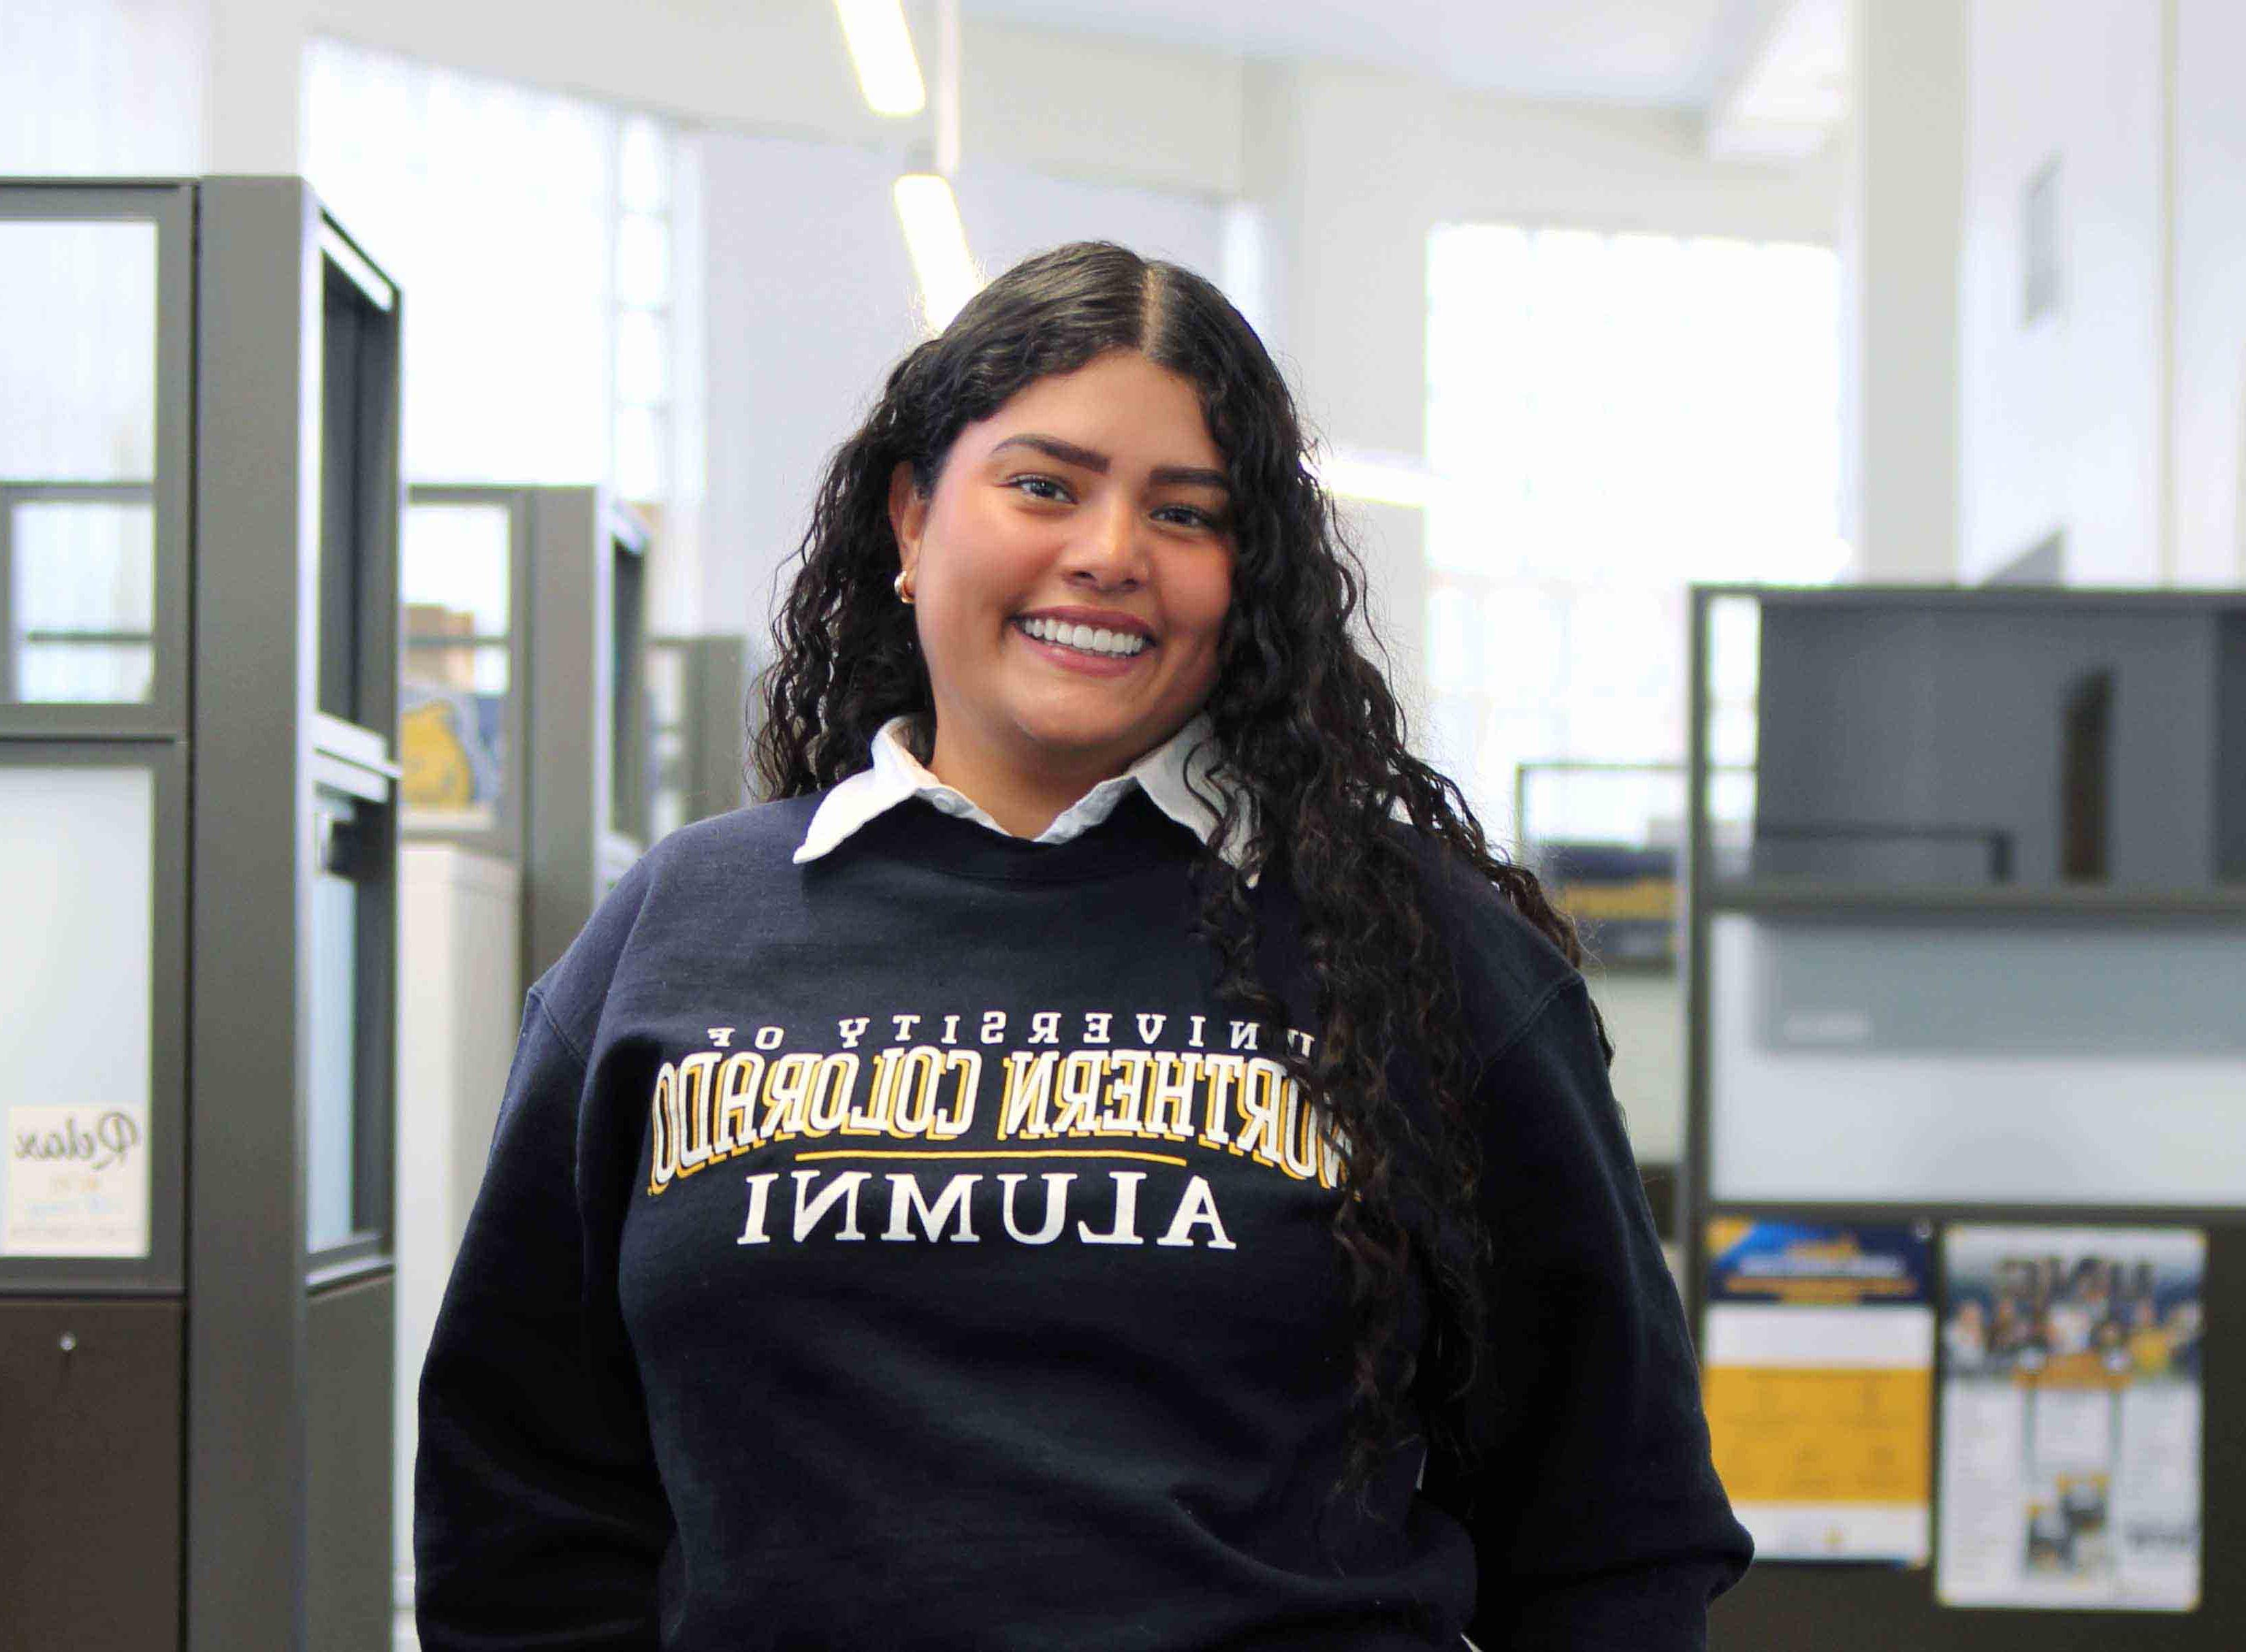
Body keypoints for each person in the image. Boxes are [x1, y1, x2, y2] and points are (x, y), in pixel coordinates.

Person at [413, 240, 1750, 1650]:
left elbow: (1614, 1532)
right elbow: (523, 1506)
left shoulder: (1425, 958)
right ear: (912, 517)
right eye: (1043, 485)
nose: (1110, 553)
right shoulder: (675, 932)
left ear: (1246, 574)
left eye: (1186, 512)